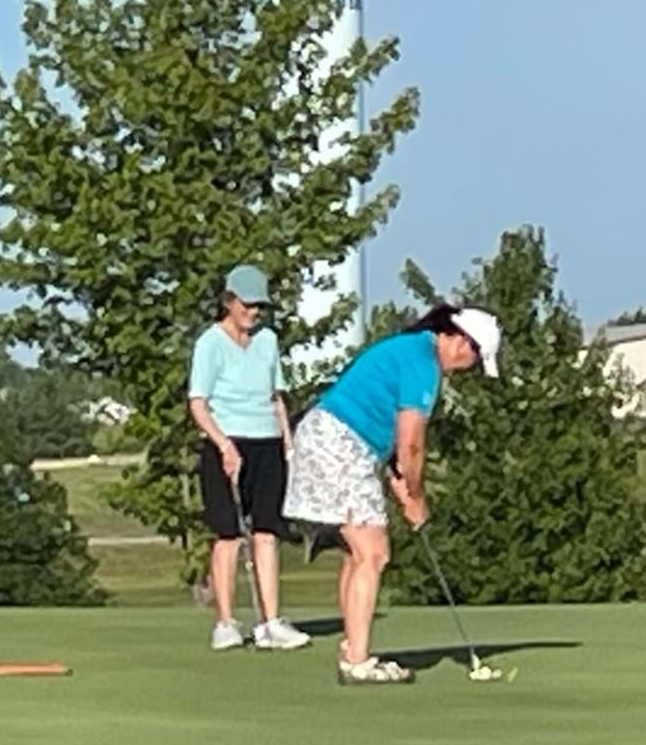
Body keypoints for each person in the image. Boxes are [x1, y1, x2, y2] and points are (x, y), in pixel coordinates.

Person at [284, 303, 502, 686]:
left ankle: (353, 648)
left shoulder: (410, 348)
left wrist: (398, 479)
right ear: (459, 340)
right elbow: (412, 443)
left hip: (329, 439)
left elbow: (382, 428)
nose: (469, 367)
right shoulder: (424, 364)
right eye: (474, 357)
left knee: (358, 552)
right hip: (339, 444)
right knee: (375, 552)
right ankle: (358, 660)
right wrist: (416, 498)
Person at [189, 263, 311, 653]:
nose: (254, 312)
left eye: (260, 306)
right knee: (227, 534)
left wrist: (289, 445)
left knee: (266, 532)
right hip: (226, 442)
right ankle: (225, 622)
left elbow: (277, 398)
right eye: (248, 304)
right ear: (229, 302)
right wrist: (225, 446)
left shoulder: (268, 341)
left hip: (266, 443)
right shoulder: (210, 343)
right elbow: (198, 404)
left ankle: (271, 621)